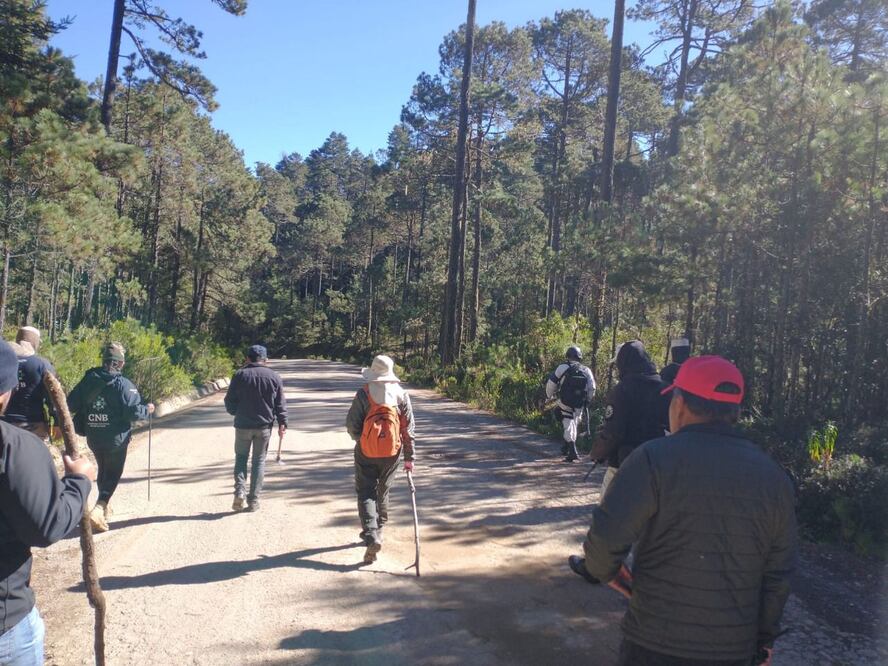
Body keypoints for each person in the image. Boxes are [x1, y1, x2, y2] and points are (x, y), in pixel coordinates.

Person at [571, 356, 797, 666]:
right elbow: (777, 576)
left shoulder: (651, 460)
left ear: (679, 404)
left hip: (652, 644)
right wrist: (764, 642)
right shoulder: (774, 477)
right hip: (735, 651)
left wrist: (629, 587)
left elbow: (599, 556)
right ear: (736, 412)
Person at [0, 339, 96, 664]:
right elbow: (46, 526)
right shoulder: (14, 448)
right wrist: (79, 482)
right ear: (5, 392)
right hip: (5, 622)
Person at [67, 342, 154, 533]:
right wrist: (147, 409)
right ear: (121, 363)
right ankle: (99, 508)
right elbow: (134, 413)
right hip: (116, 440)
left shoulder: (88, 379)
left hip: (93, 437)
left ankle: (104, 506)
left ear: (104, 360)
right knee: (113, 473)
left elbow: (70, 404)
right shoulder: (124, 385)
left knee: (104, 469)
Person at [345, 355, 416, 564]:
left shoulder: (364, 393)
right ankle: (380, 528)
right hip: (392, 452)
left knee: (366, 491)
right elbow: (408, 430)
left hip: (366, 451)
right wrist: (409, 458)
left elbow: (351, 425)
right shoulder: (401, 395)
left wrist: (362, 440)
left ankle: (371, 533)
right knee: (383, 490)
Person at [590, 340, 669, 497]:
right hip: (659, 468)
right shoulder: (666, 389)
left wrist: (597, 453)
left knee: (607, 515)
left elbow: (612, 433)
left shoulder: (622, 391)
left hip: (624, 466)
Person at [223, 345, 287, 513]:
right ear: (265, 360)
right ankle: (253, 501)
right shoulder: (274, 377)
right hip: (264, 427)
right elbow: (280, 404)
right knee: (259, 462)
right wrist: (282, 422)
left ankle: (239, 492)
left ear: (247, 358)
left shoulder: (239, 375)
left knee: (241, 458)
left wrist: (236, 412)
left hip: (243, 425)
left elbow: (229, 401)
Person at [2, 326, 57, 441]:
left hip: (4, 425)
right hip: (33, 426)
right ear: (35, 342)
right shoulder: (42, 364)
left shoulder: (4, 360)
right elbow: (53, 398)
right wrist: (56, 422)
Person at [545, 346, 596, 462]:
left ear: (568, 356)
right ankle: (566, 446)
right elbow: (592, 388)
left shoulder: (562, 367)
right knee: (573, 423)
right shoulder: (586, 370)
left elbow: (551, 383)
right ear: (579, 357)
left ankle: (572, 451)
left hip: (565, 401)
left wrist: (549, 396)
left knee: (567, 423)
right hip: (579, 403)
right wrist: (587, 400)